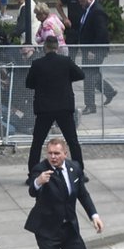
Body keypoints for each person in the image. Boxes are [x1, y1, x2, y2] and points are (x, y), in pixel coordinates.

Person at [25, 36, 84, 175]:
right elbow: (80, 74)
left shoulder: (37, 64)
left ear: (45, 47)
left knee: (37, 142)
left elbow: (29, 83)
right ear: (57, 47)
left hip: (44, 108)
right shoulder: (65, 61)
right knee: (72, 140)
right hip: (64, 106)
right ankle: (79, 171)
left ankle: (33, 172)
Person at [78, 0, 116, 115]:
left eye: (82, 1)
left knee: (88, 76)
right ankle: (109, 91)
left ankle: (90, 105)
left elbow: (101, 33)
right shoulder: (87, 9)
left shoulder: (97, 11)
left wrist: (93, 50)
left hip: (95, 50)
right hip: (87, 49)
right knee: (93, 73)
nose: (80, 3)